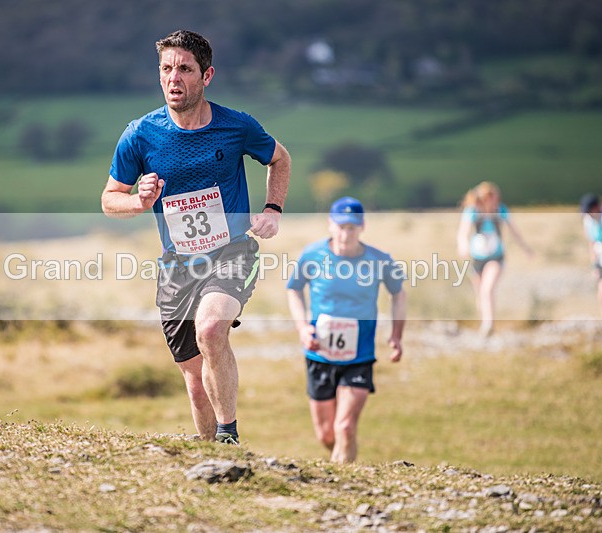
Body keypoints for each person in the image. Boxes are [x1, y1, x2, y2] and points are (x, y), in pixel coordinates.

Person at [101, 30, 291, 445]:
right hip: (177, 265)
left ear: (207, 76)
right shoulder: (140, 134)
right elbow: (109, 198)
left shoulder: (236, 126)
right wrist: (137, 201)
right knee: (193, 379)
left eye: (184, 69)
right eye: (166, 69)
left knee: (209, 330)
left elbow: (280, 158)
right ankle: (212, 458)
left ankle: (228, 436)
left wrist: (273, 210)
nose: (174, 78)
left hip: (232, 252)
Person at [286, 197, 406, 463]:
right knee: (327, 434)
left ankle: (344, 481)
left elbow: (398, 294)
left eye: (352, 227)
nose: (346, 233)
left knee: (345, 427)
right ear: (330, 224)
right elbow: (294, 288)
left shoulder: (379, 260)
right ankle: (341, 461)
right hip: (319, 355)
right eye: (341, 226)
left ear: (362, 226)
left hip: (359, 356)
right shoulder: (313, 255)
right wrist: (303, 327)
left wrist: (396, 336)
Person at [456, 181, 532, 336]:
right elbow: (463, 232)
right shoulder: (472, 211)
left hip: (496, 257)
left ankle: (488, 325)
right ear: (485, 198)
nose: (496, 201)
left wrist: (525, 248)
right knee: (480, 293)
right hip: (477, 258)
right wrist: (463, 246)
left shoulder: (501, 210)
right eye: (493, 198)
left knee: (487, 289)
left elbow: (514, 231)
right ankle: (485, 321)